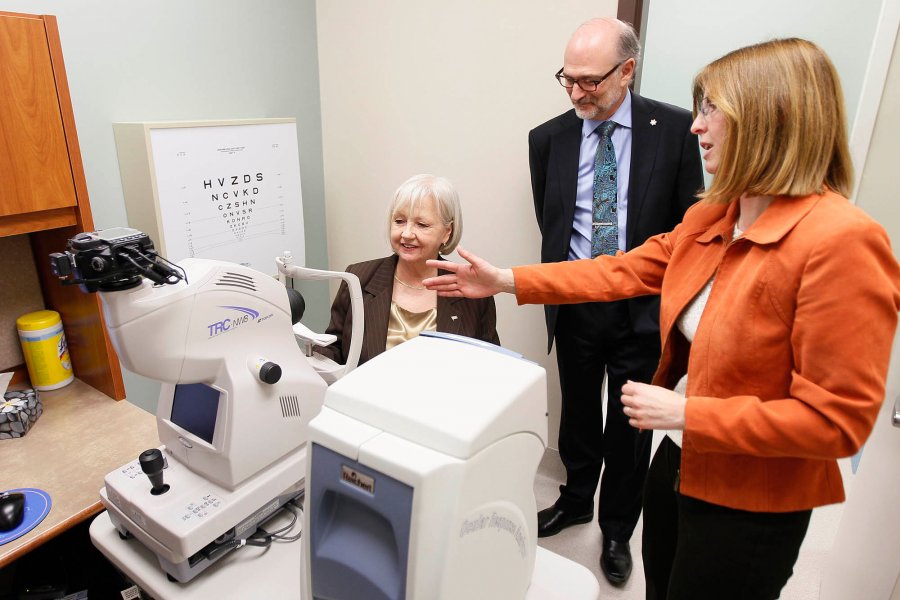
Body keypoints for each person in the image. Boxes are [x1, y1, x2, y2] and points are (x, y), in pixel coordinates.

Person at [425, 38, 900, 599]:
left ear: (769, 118)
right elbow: (618, 271)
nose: (696, 127)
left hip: (750, 498)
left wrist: (689, 411)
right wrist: (507, 280)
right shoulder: (715, 214)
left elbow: (836, 422)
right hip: (678, 461)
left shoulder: (842, 243)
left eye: (710, 110)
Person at [527, 17, 703, 585]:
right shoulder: (547, 139)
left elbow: (688, 230)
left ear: (627, 70)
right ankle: (577, 498)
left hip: (642, 311)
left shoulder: (676, 131)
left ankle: (618, 528)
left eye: (590, 81)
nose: (577, 93)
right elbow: (552, 222)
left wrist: (666, 311)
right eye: (568, 79)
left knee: (631, 428)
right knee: (578, 410)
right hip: (576, 304)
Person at [316, 174, 499, 366]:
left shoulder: (472, 291)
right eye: (399, 221)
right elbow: (333, 349)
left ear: (447, 232)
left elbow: (489, 365)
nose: (407, 234)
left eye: (422, 224)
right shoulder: (359, 278)